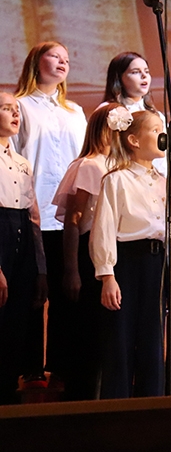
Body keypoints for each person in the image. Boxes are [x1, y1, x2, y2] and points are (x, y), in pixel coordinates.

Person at [90, 109, 171, 398]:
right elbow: (104, 228)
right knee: (121, 337)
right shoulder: (117, 180)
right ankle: (116, 405)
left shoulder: (165, 181)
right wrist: (107, 275)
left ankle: (152, 403)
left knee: (153, 340)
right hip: (127, 263)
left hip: (158, 264)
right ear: (133, 140)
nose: (161, 134)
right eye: (154, 130)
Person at [13, 42, 87, 391]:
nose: (62, 62)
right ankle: (29, 368)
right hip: (34, 209)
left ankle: (61, 365)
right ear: (36, 61)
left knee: (67, 289)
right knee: (32, 290)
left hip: (69, 214)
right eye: (55, 56)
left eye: (67, 59)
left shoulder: (74, 111)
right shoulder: (21, 106)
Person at [51, 103, 120, 400]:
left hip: (113, 251)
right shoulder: (90, 165)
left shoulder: (121, 166)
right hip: (89, 251)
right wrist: (72, 270)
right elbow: (74, 219)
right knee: (89, 332)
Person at [0, 92, 46, 405]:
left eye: (17, 109)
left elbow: (33, 216)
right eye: (7, 109)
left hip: (22, 236)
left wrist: (40, 268)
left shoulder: (21, 163)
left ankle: (8, 391)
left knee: (16, 321)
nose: (15, 114)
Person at [100, 52, 166, 175]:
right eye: (135, 72)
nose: (144, 76)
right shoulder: (110, 112)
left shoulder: (156, 115)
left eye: (146, 71)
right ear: (119, 78)